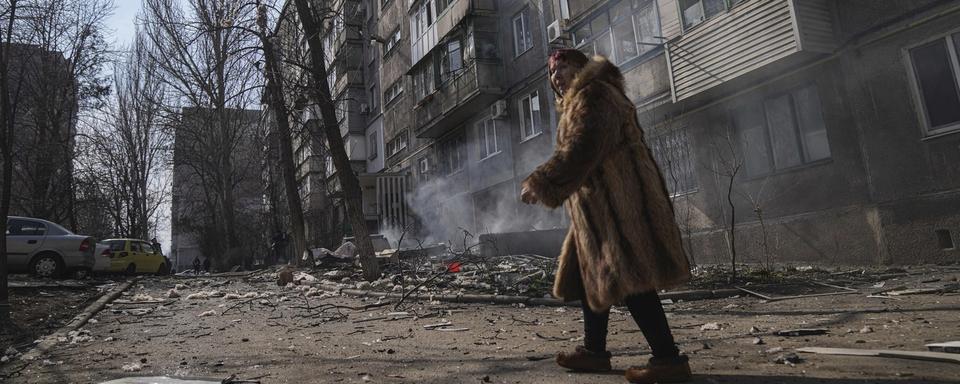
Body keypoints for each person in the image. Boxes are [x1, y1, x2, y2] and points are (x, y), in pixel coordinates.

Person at [520, 49, 693, 384]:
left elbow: (584, 148)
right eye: (552, 74)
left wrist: (542, 182)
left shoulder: (595, 94)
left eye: (563, 68)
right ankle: (594, 352)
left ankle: (668, 359)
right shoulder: (582, 99)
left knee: (632, 279)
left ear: (581, 67)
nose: (557, 78)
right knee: (589, 275)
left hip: (621, 206)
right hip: (600, 210)